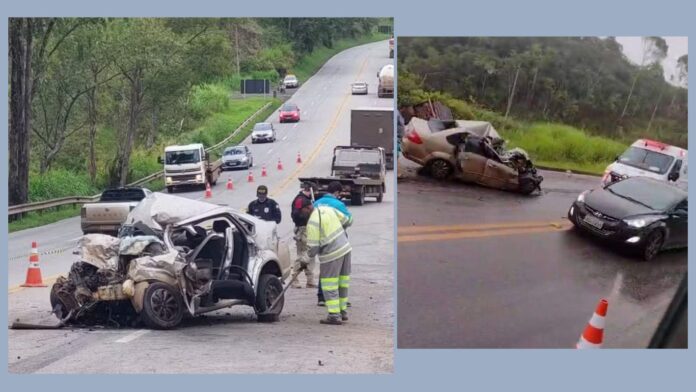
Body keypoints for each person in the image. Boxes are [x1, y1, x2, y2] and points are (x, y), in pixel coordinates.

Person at [306, 202, 352, 325]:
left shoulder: (313, 222)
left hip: (331, 255)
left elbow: (313, 248)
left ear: (308, 208)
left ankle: (334, 315)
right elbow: (348, 220)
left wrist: (305, 260)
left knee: (329, 285)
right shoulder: (328, 209)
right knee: (342, 283)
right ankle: (342, 312)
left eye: (301, 211)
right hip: (345, 248)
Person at [313, 181, 353, 306]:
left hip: (322, 240)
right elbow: (349, 220)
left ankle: (321, 297)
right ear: (337, 192)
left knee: (325, 270)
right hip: (338, 240)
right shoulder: (338, 204)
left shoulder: (316, 203)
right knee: (340, 274)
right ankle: (340, 302)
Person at [290, 182, 317, 288]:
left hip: (308, 229)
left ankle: (310, 280)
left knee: (310, 254)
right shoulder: (300, 200)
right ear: (309, 190)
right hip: (303, 229)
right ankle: (294, 279)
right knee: (303, 255)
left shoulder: (306, 200)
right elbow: (296, 215)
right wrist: (308, 214)